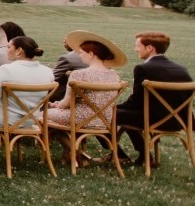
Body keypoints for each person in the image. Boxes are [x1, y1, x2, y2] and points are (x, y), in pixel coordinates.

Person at [115, 31, 193, 165]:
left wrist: (116, 107)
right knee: (126, 114)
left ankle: (132, 155)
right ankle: (145, 157)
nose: (135, 49)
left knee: (113, 114)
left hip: (153, 120)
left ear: (150, 48)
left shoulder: (143, 68)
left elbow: (136, 101)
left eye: (137, 46)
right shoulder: (182, 69)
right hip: (179, 121)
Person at [47, 31, 125, 163]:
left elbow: (66, 104)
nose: (79, 55)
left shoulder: (79, 74)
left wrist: (56, 105)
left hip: (80, 118)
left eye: (81, 52)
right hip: (105, 120)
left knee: (42, 116)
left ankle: (77, 153)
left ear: (91, 54)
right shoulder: (114, 76)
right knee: (56, 116)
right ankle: (71, 155)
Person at [0, 35, 53, 130]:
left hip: (5, 119)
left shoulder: (6, 69)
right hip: (31, 119)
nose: (6, 50)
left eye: (9, 47)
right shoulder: (48, 71)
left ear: (19, 50)